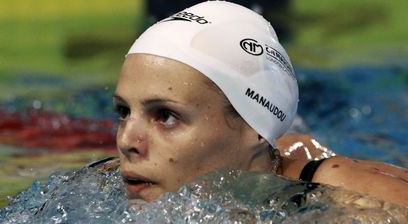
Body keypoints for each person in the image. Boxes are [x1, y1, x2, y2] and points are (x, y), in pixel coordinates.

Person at [95, 1, 408, 206]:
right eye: (124, 111)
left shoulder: (363, 202)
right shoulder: (99, 186)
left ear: (255, 127)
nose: (125, 141)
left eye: (166, 116)